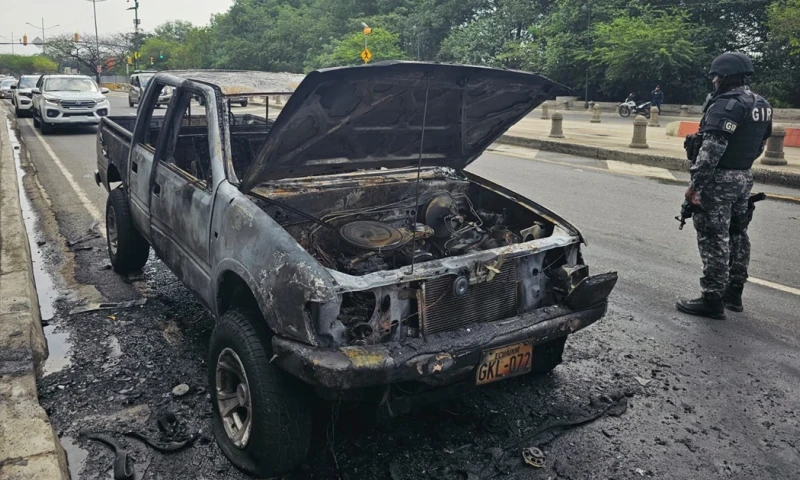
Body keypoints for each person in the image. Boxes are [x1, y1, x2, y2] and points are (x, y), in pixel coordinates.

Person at [676, 52, 772, 320]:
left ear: (726, 77)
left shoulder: (726, 105)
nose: (714, 81)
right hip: (744, 177)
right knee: (738, 233)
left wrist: (695, 186)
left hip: (719, 181)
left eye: (716, 76)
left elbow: (711, 151)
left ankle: (712, 299)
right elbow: (760, 145)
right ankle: (734, 293)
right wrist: (740, 169)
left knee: (714, 238)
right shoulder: (761, 104)